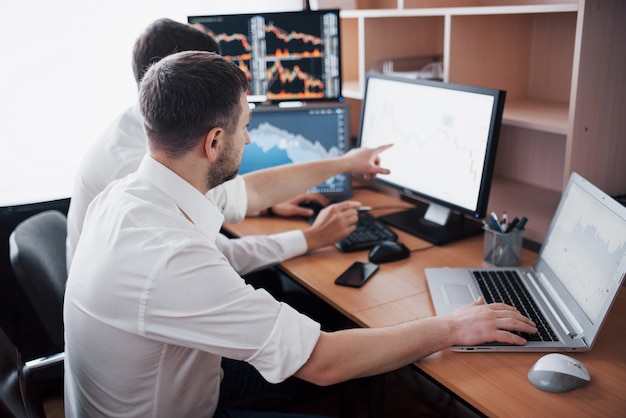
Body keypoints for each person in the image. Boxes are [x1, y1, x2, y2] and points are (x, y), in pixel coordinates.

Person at [63, 50, 537, 417]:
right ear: (213, 142)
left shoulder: (135, 192)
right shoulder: (168, 257)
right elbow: (324, 362)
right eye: (245, 127)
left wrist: (345, 163)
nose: (249, 139)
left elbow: (251, 190)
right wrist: (453, 327)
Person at [66, 18, 341, 278]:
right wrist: (311, 237)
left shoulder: (150, 131)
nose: (247, 138)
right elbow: (221, 257)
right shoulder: (131, 166)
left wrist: (345, 164)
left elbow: (245, 194)